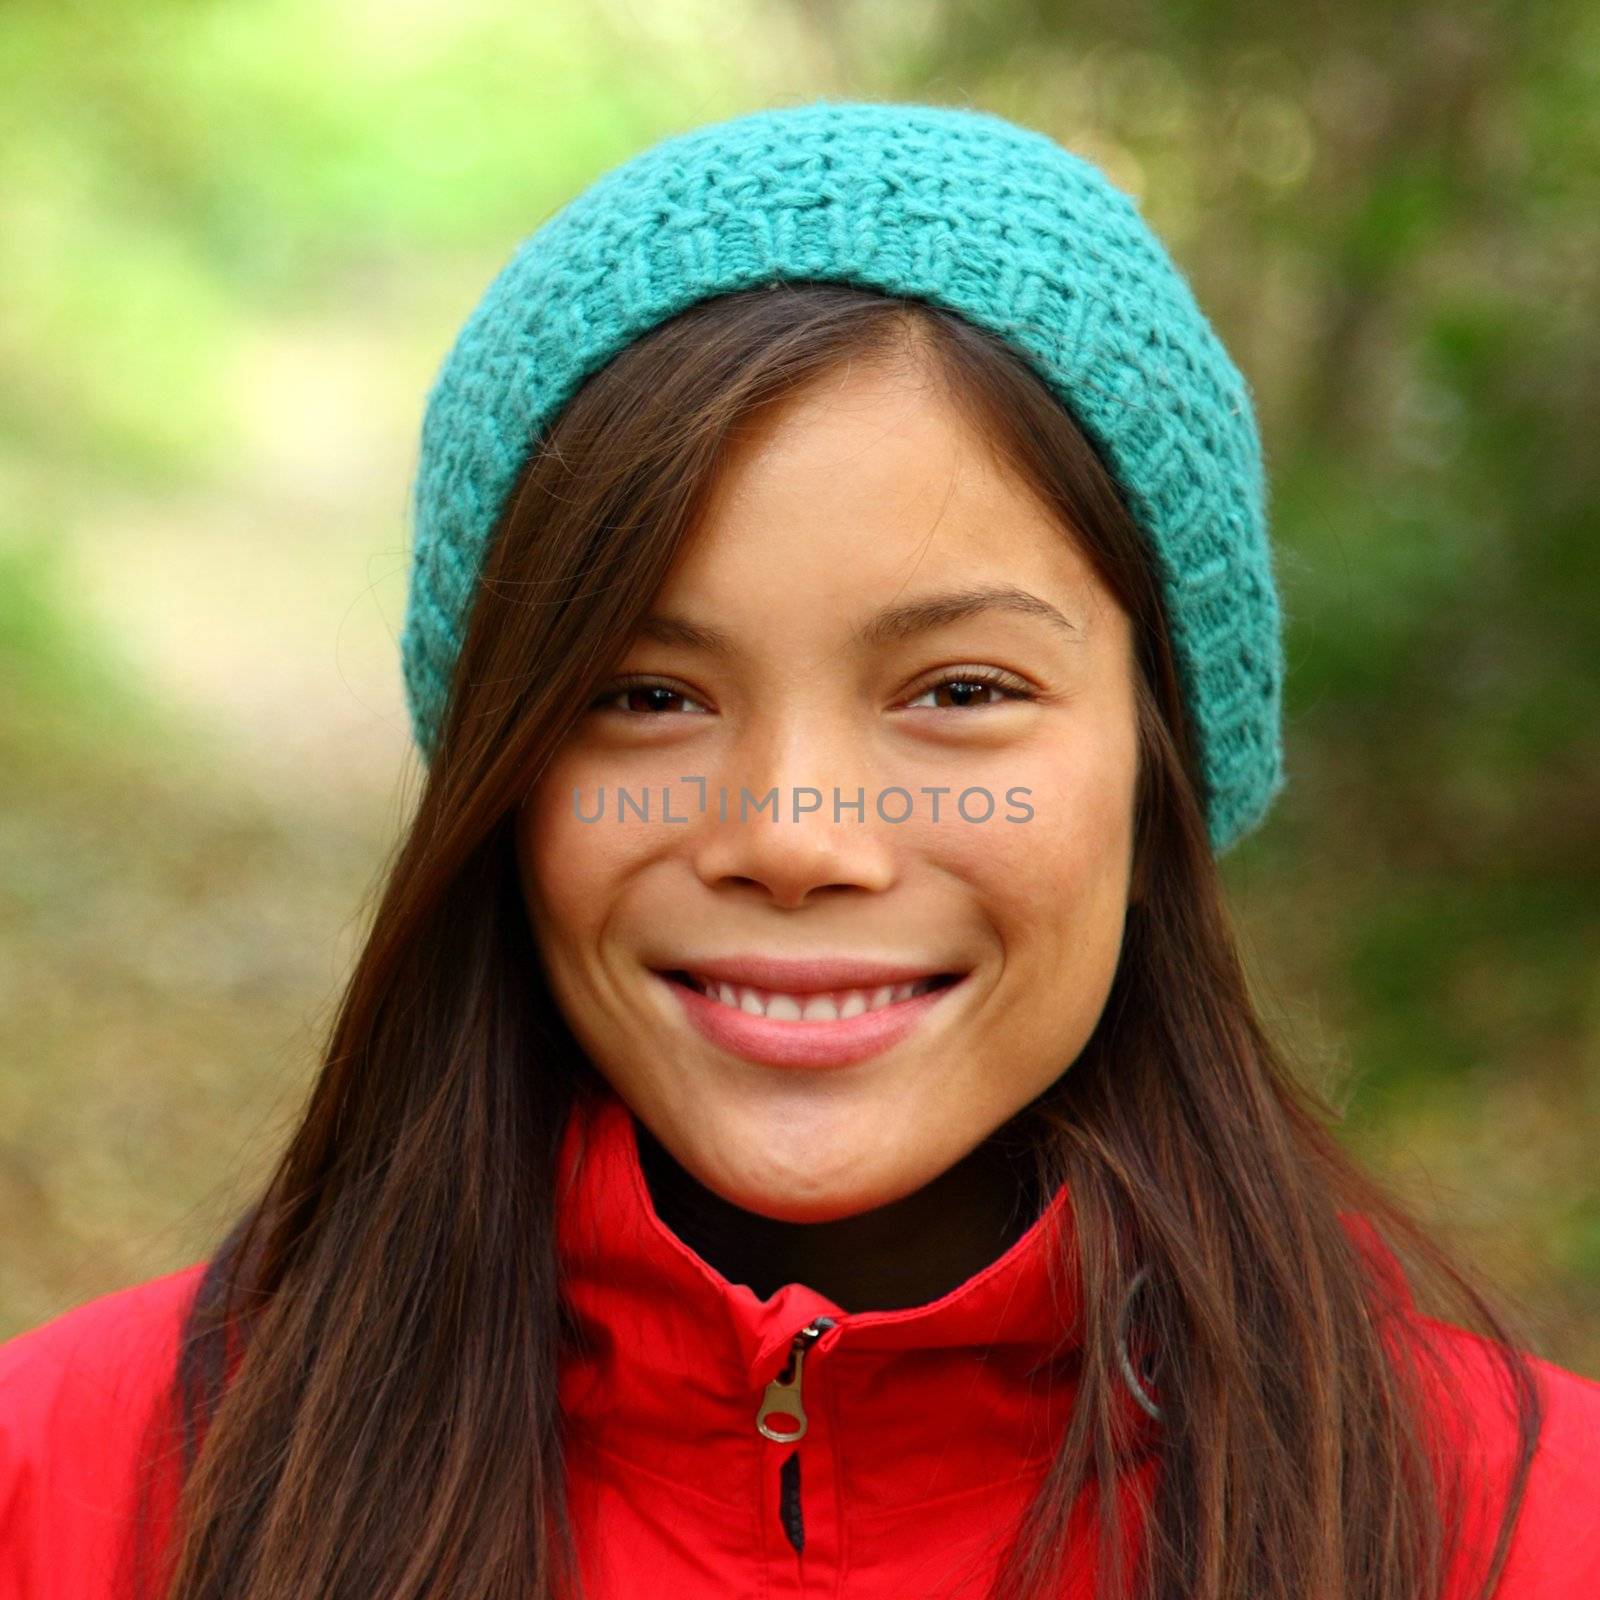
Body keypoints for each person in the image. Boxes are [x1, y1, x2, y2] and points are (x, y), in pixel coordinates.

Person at [1, 97, 1596, 1600]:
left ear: (1161, 759)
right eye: (646, 694)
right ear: (502, 761)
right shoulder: (76, 1487)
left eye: (962, 690)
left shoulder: (1525, 1527)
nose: (793, 837)